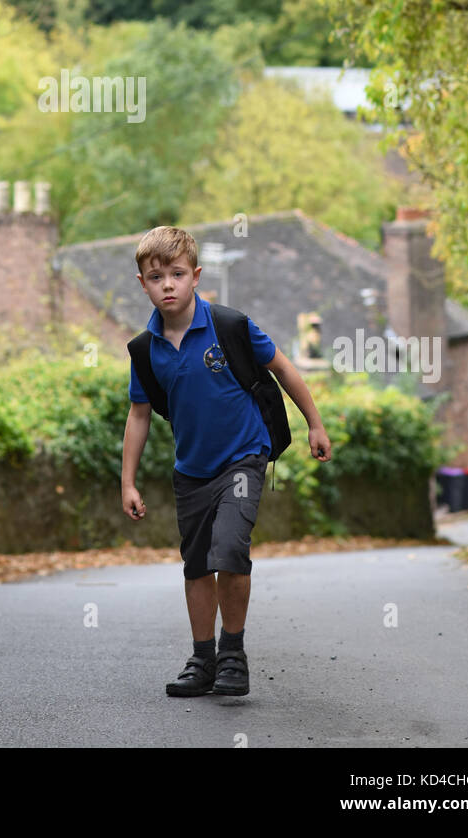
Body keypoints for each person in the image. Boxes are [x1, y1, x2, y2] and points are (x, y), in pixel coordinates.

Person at [121, 225, 332, 698]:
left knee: (231, 548)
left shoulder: (230, 326)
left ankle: (233, 653)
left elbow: (283, 367)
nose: (168, 285)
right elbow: (139, 416)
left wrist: (315, 424)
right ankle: (203, 660)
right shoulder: (144, 350)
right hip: (190, 472)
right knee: (196, 565)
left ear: (195, 276)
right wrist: (127, 482)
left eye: (177, 274)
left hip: (243, 458)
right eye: (157, 277)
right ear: (143, 284)